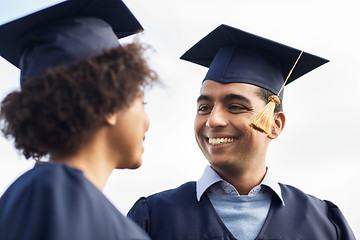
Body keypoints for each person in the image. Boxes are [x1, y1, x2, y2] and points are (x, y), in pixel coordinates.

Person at [127, 24, 355, 239]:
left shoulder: (324, 224)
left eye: (236, 107)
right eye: (204, 108)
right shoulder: (153, 218)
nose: (213, 120)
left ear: (275, 125)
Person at [0, 0, 157, 239]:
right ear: (108, 103)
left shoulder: (43, 193)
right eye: (141, 102)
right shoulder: (50, 193)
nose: (147, 121)